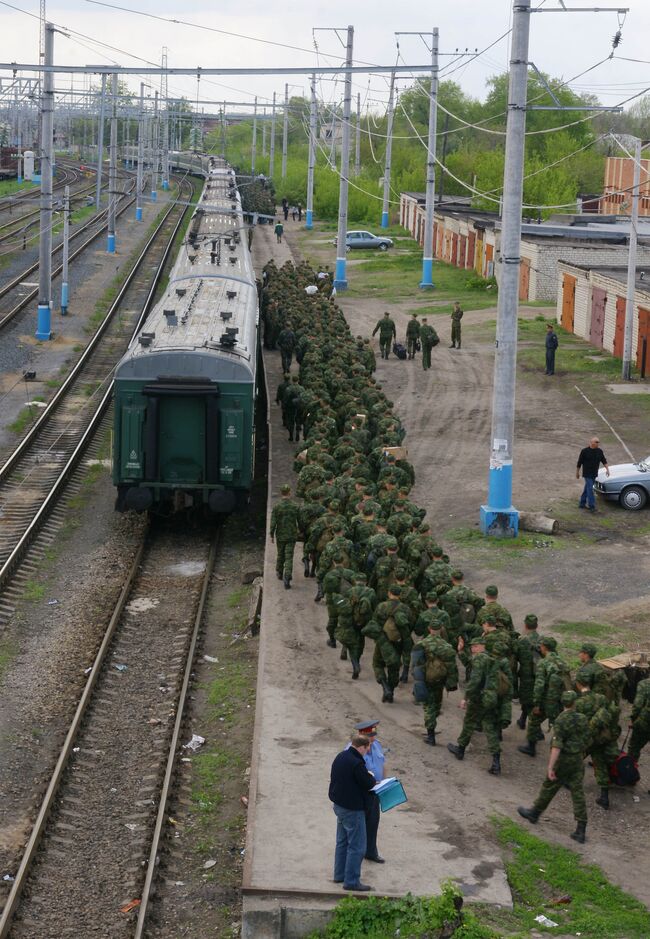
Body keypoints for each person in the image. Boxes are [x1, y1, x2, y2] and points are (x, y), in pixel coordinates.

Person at [517, 690, 590, 844]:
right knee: (577, 792)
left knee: (549, 785)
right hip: (578, 759)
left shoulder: (561, 720)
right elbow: (587, 739)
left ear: (562, 703)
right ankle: (581, 828)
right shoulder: (583, 718)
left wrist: (550, 767)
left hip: (564, 759)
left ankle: (534, 813)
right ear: (575, 703)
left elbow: (556, 746)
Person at [329, 734, 377, 891]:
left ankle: (339, 875)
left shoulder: (341, 756)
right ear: (362, 747)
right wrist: (371, 777)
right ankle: (351, 881)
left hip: (339, 806)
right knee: (357, 846)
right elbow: (368, 783)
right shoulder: (357, 763)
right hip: (352, 809)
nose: (367, 752)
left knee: (342, 842)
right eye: (367, 748)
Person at [350, 720, 386, 864]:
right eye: (370, 736)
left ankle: (371, 852)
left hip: (375, 791)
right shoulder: (352, 750)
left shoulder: (376, 745)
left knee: (373, 822)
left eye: (373, 735)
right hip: (361, 792)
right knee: (358, 825)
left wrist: (383, 782)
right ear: (361, 735)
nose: (373, 739)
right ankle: (355, 853)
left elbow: (383, 763)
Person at [269, 484, 300, 589]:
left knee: (280, 554)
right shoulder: (295, 506)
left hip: (281, 535)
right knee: (289, 557)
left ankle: (279, 571)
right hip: (292, 535)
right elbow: (300, 521)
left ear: (281, 493)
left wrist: (271, 534)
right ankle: (287, 577)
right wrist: (300, 531)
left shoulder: (277, 506)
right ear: (289, 492)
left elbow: (273, 522)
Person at [576, 437, 609, 511]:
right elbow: (579, 462)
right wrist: (577, 472)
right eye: (596, 442)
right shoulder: (584, 451)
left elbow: (604, 461)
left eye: (598, 442)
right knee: (590, 489)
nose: (598, 443)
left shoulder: (599, 451)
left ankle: (582, 503)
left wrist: (607, 469)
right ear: (591, 442)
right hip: (587, 473)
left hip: (594, 473)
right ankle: (592, 506)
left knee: (587, 488)